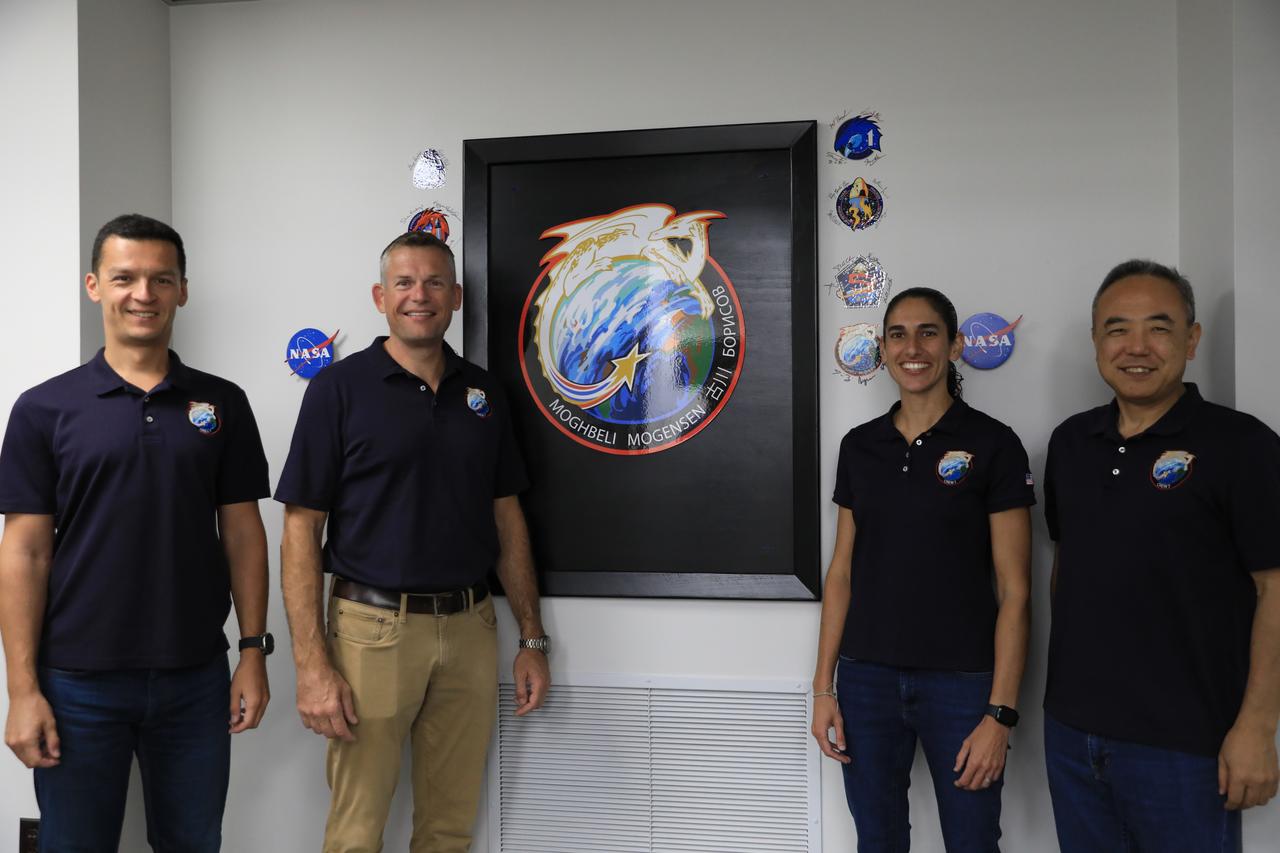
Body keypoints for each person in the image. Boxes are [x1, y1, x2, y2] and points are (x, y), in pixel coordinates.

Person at [0, 213, 272, 852]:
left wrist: (253, 650)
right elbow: (25, 551)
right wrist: (21, 690)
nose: (142, 294)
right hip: (74, 682)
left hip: (195, 678)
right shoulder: (44, 408)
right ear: (94, 285)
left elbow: (243, 536)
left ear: (183, 289)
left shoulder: (222, 403)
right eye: (125, 277)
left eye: (160, 278)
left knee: (193, 843)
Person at [276, 230, 550, 853]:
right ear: (380, 296)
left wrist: (531, 636)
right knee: (356, 830)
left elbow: (506, 519)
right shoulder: (337, 390)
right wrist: (312, 664)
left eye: (433, 283)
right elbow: (300, 530)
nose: (418, 296)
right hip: (370, 631)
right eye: (403, 283)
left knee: (450, 828)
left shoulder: (484, 394)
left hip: (471, 628)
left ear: (455, 297)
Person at [1043, 260, 1280, 852]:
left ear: (1192, 339)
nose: (1137, 347)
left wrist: (1256, 727)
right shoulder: (1070, 443)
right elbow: (1066, 567)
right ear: (1096, 341)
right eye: (1118, 328)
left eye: (1160, 327)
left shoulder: (1243, 445)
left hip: (1187, 748)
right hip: (1072, 735)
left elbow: (1275, 590)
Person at [810, 287, 1034, 852]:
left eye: (929, 332)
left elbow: (1016, 591)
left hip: (962, 685)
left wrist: (1000, 713)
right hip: (866, 682)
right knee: (878, 840)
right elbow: (841, 572)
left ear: (956, 345)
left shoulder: (994, 444)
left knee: (973, 840)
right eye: (898, 334)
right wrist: (823, 689)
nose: (914, 347)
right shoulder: (860, 447)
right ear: (883, 350)